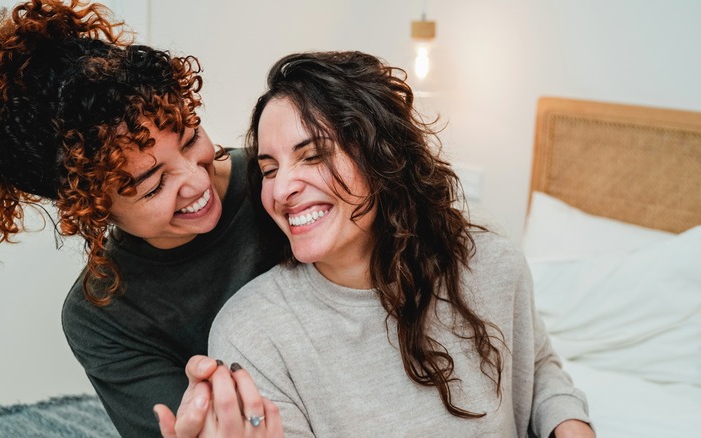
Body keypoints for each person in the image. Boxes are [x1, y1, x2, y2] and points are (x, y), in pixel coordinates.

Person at [161, 51, 596, 437]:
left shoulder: (491, 262)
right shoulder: (252, 335)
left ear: (381, 156)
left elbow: (537, 367)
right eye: (269, 169)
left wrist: (570, 423)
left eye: (313, 155)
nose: (282, 188)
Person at [0, 1, 278, 436]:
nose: (197, 180)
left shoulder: (279, 180)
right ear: (92, 207)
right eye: (153, 185)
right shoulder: (103, 315)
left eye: (190, 139)